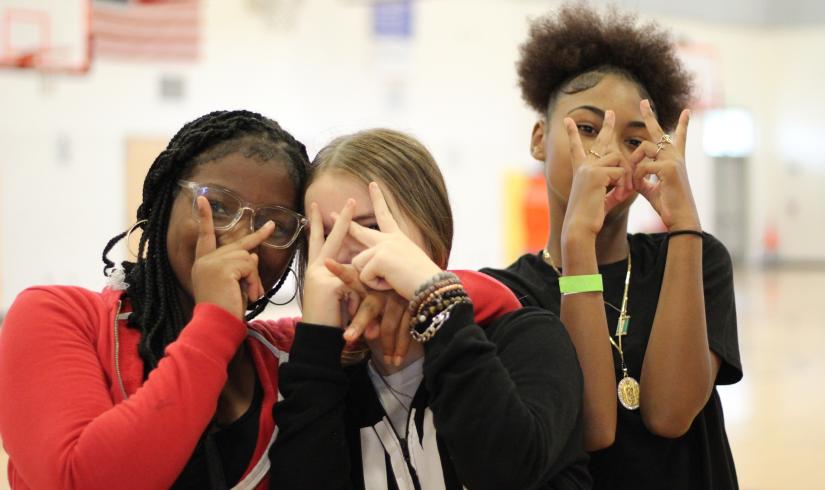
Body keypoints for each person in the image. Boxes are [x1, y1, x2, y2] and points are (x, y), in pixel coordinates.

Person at [481, 4, 742, 489]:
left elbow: (670, 414)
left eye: (633, 138)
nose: (610, 153)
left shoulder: (696, 258)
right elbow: (593, 427)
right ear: (539, 139)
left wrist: (684, 224)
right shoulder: (506, 295)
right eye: (586, 128)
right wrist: (577, 241)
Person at [0, 110, 314, 489]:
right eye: (216, 206)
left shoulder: (291, 353)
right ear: (163, 203)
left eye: (276, 225)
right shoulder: (57, 316)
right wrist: (215, 324)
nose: (240, 239)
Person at [269, 128, 591, 489]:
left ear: (432, 239)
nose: (344, 255)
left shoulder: (526, 340)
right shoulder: (326, 382)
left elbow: (506, 472)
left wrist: (436, 297)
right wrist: (318, 339)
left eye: (370, 228)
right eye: (324, 237)